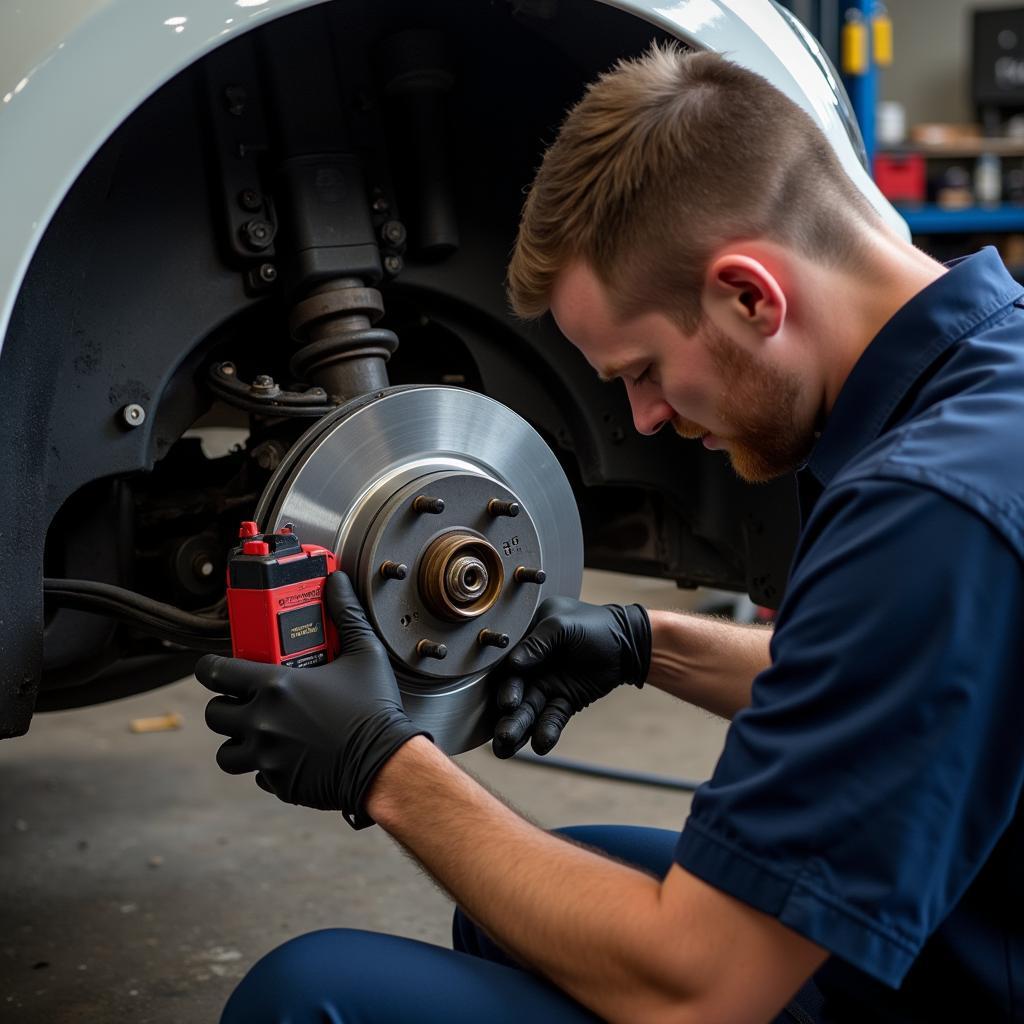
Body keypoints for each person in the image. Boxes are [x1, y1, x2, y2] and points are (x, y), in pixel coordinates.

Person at [197, 45, 1024, 1023]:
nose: (641, 421)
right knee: (518, 911)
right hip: (970, 907)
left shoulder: (926, 509)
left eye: (640, 370)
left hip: (973, 975)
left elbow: (700, 989)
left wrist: (383, 762)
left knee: (306, 997)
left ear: (750, 294)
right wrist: (643, 641)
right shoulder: (987, 377)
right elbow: (906, 696)